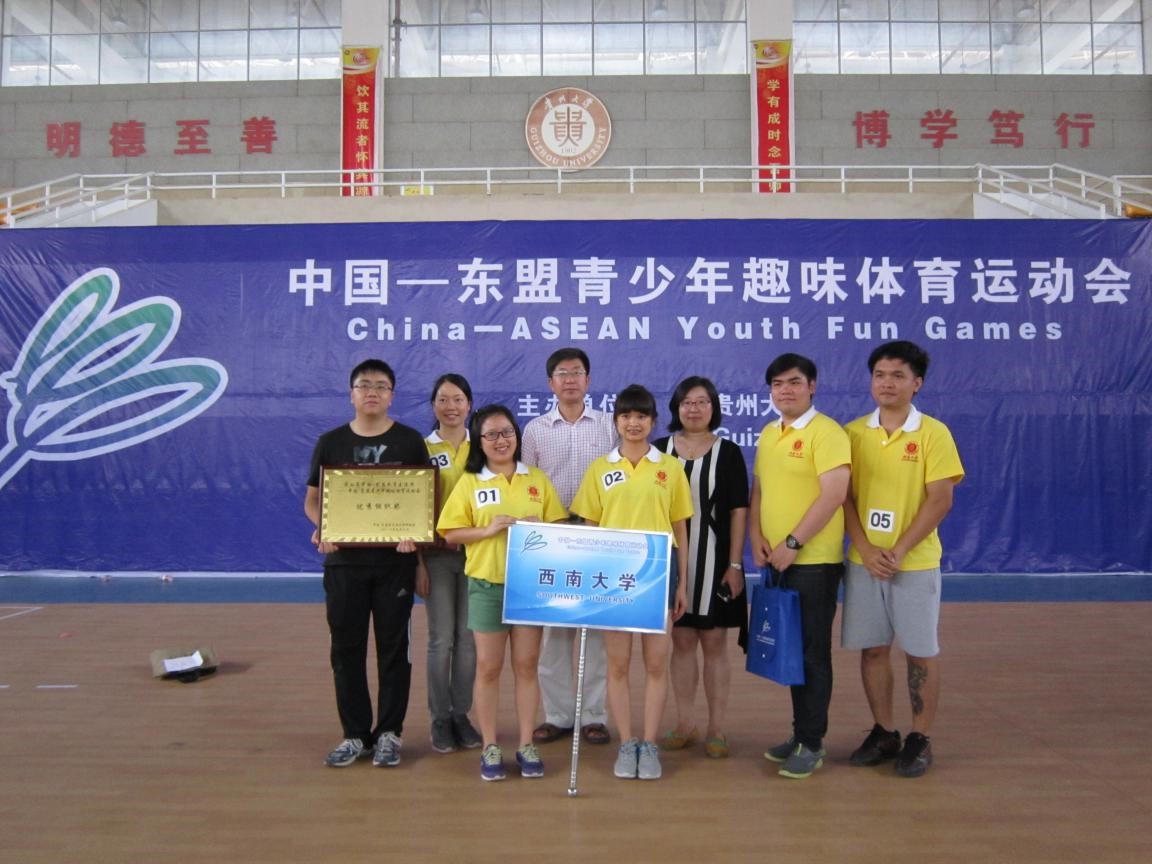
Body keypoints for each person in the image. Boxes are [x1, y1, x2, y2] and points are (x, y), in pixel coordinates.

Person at [841, 341, 964, 778]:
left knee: (919, 653)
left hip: (913, 563)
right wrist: (866, 548)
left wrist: (900, 549)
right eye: (880, 375)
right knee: (873, 650)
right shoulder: (853, 433)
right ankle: (884, 731)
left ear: (917, 383)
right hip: (864, 562)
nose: (887, 383)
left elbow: (940, 499)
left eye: (898, 375)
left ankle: (920, 737)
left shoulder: (933, 433)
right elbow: (844, 498)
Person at [304, 359, 430, 768]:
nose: (372, 392)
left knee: (394, 650)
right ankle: (355, 734)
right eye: (364, 385)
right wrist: (323, 527)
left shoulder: (410, 441)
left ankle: (390, 733)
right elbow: (313, 501)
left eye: (380, 386)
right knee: (346, 650)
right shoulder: (330, 442)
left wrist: (416, 540)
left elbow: (422, 503)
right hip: (343, 565)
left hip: (395, 565)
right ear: (351, 393)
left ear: (392, 395)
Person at [437, 404, 568, 782]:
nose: (501, 440)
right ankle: (490, 745)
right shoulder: (471, 482)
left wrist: (542, 526)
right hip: (486, 585)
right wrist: (487, 530)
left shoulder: (536, 479)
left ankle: (526, 743)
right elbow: (450, 532)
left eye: (507, 432)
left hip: (530, 588)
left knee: (526, 666)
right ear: (479, 441)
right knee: (488, 668)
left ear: (517, 436)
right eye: (491, 434)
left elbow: (560, 528)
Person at [570, 385, 692, 781]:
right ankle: (627, 743)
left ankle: (649, 744)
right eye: (626, 416)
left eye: (641, 416)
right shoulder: (599, 469)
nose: (633, 423)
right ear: (616, 421)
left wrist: (682, 584)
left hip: (659, 576)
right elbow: (590, 529)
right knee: (618, 666)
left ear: (653, 422)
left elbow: (680, 530)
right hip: (613, 579)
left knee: (656, 664)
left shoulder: (669, 468)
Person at [749, 353, 851, 780]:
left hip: (814, 562)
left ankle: (812, 742)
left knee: (812, 654)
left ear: (812, 386)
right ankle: (799, 733)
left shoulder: (827, 433)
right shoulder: (770, 432)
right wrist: (756, 535)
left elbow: (834, 494)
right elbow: (759, 490)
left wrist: (794, 542)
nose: (785, 390)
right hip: (777, 561)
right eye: (777, 384)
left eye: (794, 382)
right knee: (791, 652)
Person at [521, 348, 617, 748]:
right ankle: (558, 715)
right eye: (562, 373)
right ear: (551, 383)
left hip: (598, 533)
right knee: (554, 632)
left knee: (595, 631)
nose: (570, 379)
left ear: (588, 380)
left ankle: (594, 716)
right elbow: (526, 483)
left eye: (577, 372)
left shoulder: (610, 425)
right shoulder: (534, 430)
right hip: (554, 536)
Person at [653, 376, 749, 759]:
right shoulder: (658, 451)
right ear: (676, 407)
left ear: (714, 408)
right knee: (680, 642)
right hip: (672, 560)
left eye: (702, 402)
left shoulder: (729, 452)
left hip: (716, 559)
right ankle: (685, 723)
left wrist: (735, 564)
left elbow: (738, 511)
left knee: (713, 643)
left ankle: (716, 728)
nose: (693, 409)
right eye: (687, 402)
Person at [421, 373, 482, 754]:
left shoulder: (483, 445)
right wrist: (417, 563)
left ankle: (461, 714)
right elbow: (412, 509)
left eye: (458, 399)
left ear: (469, 404)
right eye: (443, 399)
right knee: (441, 639)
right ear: (433, 405)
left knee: (468, 639)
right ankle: (439, 718)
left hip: (477, 555)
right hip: (437, 556)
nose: (451, 406)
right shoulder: (421, 447)